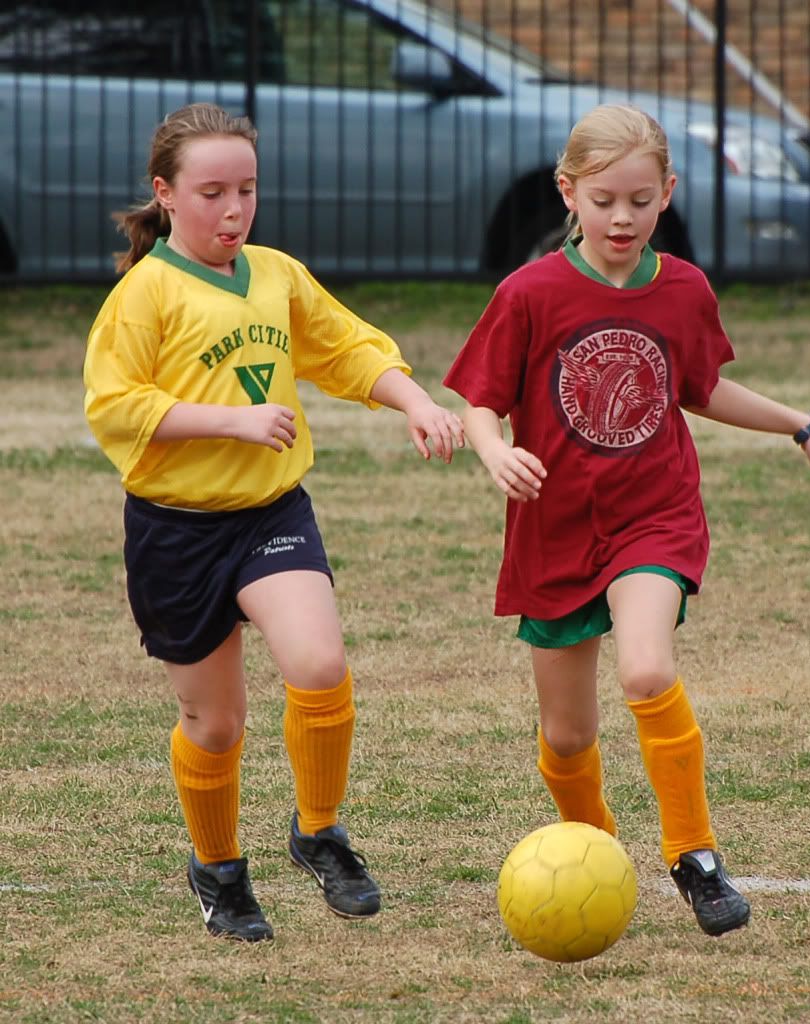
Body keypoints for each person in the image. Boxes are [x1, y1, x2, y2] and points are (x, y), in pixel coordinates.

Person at [443, 104, 810, 937]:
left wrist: (800, 424)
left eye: (637, 199)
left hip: (652, 520)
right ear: (568, 194)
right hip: (553, 531)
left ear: (665, 193)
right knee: (565, 738)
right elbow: (480, 402)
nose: (620, 218)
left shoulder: (683, 290)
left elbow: (701, 388)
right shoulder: (528, 293)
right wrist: (491, 451)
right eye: (601, 201)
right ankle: (592, 851)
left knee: (646, 673)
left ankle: (695, 855)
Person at [83, 102, 465, 942]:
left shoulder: (276, 274)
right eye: (212, 191)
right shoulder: (144, 293)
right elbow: (114, 405)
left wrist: (412, 399)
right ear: (166, 194)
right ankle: (217, 867)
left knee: (319, 663)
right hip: (176, 531)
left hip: (270, 514)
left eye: (246, 190)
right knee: (215, 724)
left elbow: (346, 348)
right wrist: (230, 420)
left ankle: (318, 831)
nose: (233, 210)